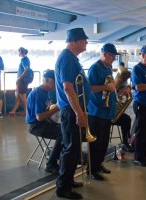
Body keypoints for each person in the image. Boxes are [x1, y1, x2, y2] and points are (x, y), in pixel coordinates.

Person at [55, 28, 91, 199]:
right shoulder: (68, 59)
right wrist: (79, 113)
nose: (86, 43)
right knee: (70, 149)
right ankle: (63, 188)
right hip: (71, 111)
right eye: (84, 40)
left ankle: (67, 180)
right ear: (76, 41)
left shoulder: (71, 58)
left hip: (73, 110)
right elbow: (68, 88)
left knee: (74, 148)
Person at [87, 43, 119, 180]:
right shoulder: (95, 68)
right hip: (96, 111)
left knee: (104, 141)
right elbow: (91, 88)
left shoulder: (108, 68)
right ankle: (92, 169)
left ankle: (99, 164)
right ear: (105, 54)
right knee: (96, 143)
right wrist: (106, 86)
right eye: (112, 56)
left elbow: (111, 86)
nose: (113, 59)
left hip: (107, 111)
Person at [26, 70, 62, 174]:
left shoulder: (45, 92)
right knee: (63, 134)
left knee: (66, 129)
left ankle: (62, 156)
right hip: (36, 126)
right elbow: (39, 117)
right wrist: (55, 109)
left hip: (44, 123)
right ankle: (51, 164)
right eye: (54, 82)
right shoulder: (38, 93)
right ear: (46, 81)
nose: (56, 85)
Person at [9, 47, 30, 116]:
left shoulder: (24, 59)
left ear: (21, 52)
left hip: (21, 81)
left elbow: (26, 69)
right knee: (18, 96)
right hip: (22, 80)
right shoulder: (26, 59)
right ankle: (13, 111)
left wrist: (19, 78)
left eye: (19, 52)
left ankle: (26, 112)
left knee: (23, 97)